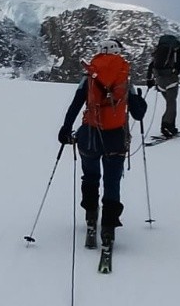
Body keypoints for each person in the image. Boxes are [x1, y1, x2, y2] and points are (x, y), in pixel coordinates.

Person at [58, 39, 148, 248]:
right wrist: (140, 99)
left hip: (89, 134)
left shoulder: (89, 75)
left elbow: (75, 104)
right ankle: (108, 228)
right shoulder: (125, 77)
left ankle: (91, 216)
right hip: (116, 137)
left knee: (90, 177)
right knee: (112, 181)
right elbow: (138, 113)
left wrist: (65, 128)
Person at [146, 35, 180, 138]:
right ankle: (167, 126)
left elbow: (151, 65)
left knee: (169, 104)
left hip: (159, 80)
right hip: (171, 79)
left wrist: (149, 80)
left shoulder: (161, 51)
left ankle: (170, 126)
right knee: (171, 104)